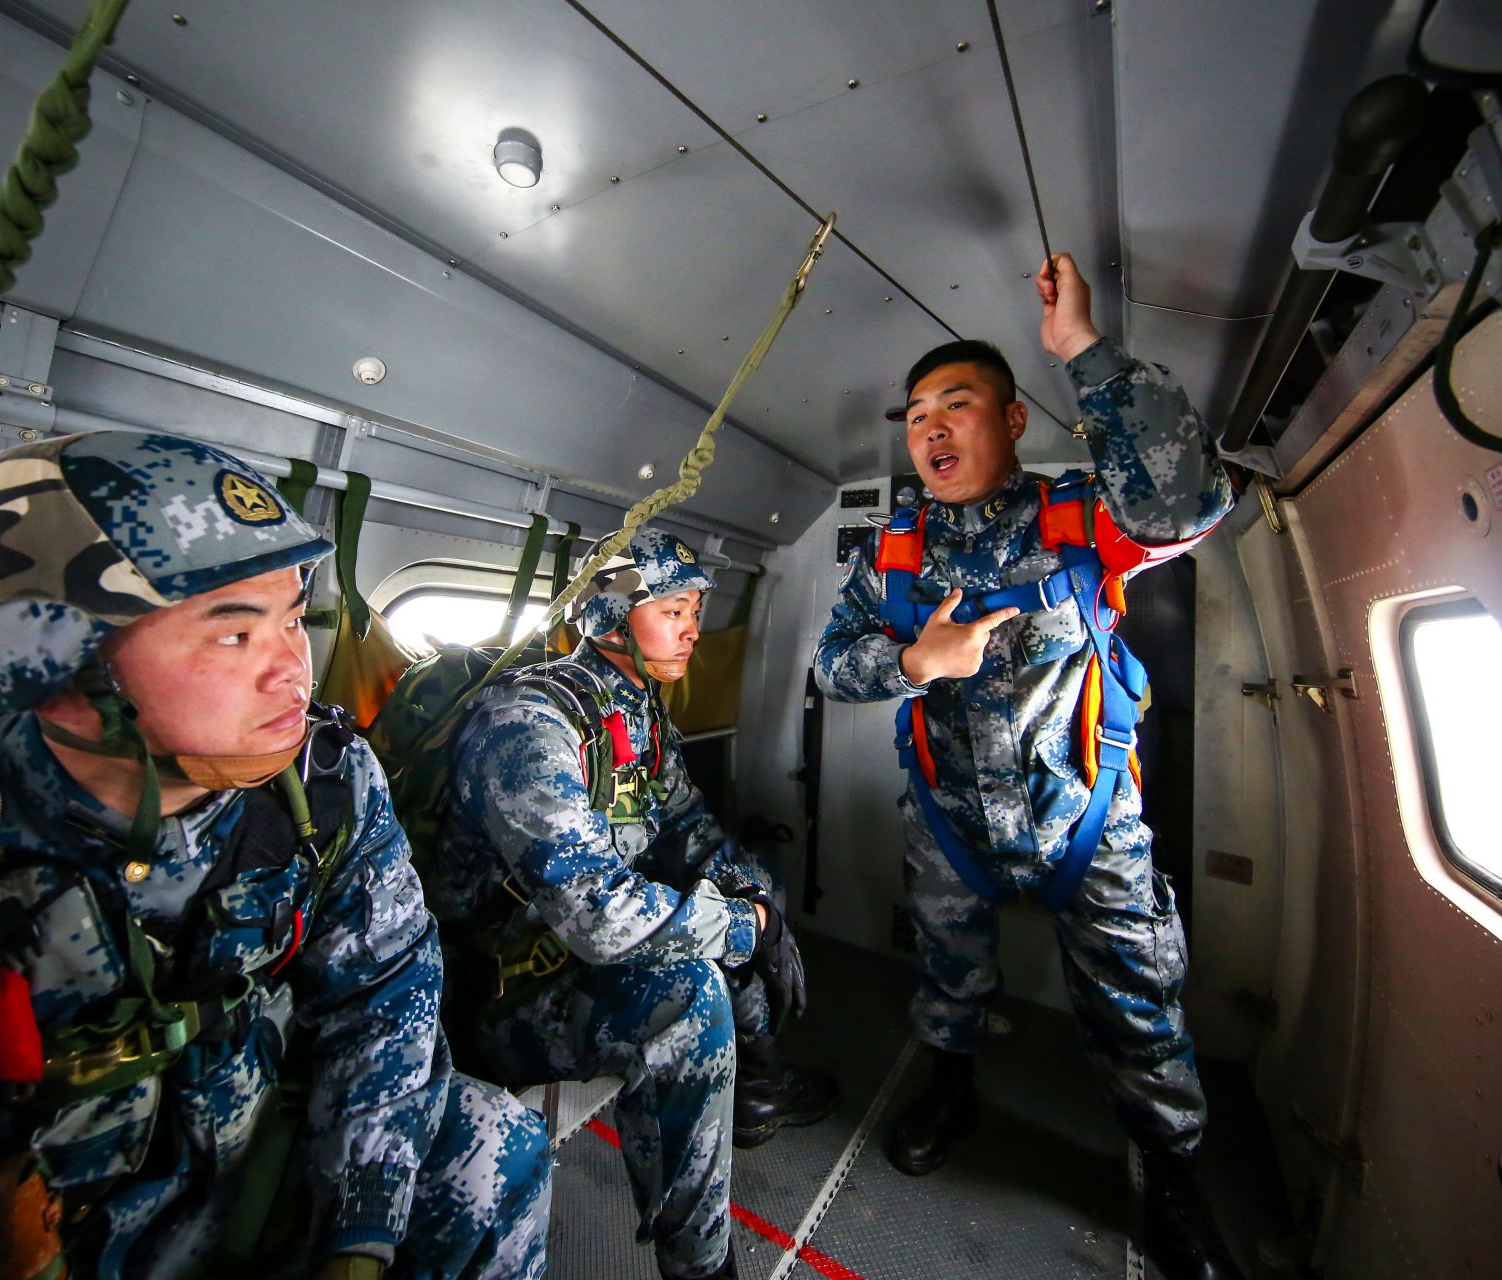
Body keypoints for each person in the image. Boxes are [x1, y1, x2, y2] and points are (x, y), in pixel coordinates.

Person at [0, 432, 548, 1280]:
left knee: (489, 1142)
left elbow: (384, 995)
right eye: (233, 636)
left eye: (294, 620)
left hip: (234, 1190)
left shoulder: (323, 786)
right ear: (54, 660)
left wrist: (356, 1242)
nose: (293, 671)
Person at [812, 254, 1242, 1280]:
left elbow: (1189, 505)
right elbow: (835, 663)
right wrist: (916, 659)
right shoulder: (894, 550)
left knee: (1139, 997)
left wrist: (1083, 353)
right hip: (950, 819)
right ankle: (950, 1083)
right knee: (947, 970)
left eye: (955, 405)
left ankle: (1174, 1176)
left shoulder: (1085, 516)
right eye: (915, 415)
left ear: (1011, 420)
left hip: (1086, 814)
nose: (930, 430)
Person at [425, 528, 835, 1280]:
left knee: (743, 892)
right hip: (493, 995)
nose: (694, 627)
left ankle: (757, 1088)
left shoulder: (637, 711)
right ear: (613, 615)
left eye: (697, 609)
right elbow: (601, 916)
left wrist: (753, 896)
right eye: (674, 608)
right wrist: (748, 927)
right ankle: (702, 1266)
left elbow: (683, 825)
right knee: (691, 989)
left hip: (566, 957)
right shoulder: (532, 726)